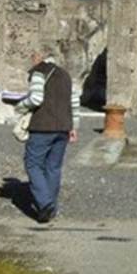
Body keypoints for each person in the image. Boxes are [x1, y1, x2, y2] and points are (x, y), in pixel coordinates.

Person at [17, 47, 80, 223]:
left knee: (33, 164)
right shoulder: (66, 75)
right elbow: (74, 102)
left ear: (39, 56)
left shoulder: (39, 72)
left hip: (42, 127)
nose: (31, 59)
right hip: (63, 127)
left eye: (33, 55)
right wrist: (74, 127)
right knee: (53, 167)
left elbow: (36, 98)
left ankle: (45, 204)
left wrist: (19, 107)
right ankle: (51, 206)